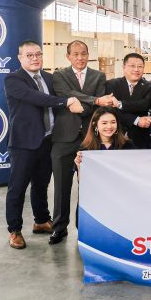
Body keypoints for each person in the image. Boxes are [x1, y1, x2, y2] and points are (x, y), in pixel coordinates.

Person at [3, 41, 83, 249]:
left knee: (41, 184)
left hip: (48, 140)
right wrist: (66, 101)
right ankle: (14, 230)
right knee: (18, 187)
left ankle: (41, 220)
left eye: (38, 54)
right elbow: (36, 98)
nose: (35, 58)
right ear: (20, 58)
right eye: (29, 55)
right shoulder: (13, 79)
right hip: (24, 143)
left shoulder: (48, 78)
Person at [50, 40, 111, 245]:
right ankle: (59, 228)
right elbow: (67, 95)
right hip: (63, 138)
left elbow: (97, 104)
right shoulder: (59, 76)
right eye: (75, 54)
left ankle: (84, 228)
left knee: (89, 186)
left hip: (89, 138)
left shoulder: (98, 76)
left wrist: (85, 104)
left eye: (83, 53)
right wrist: (94, 100)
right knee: (61, 185)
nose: (80, 57)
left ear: (88, 55)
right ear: (68, 56)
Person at [105, 53, 151, 149]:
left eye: (140, 66)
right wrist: (136, 120)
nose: (136, 69)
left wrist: (120, 104)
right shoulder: (112, 84)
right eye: (132, 66)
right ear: (124, 67)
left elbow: (144, 105)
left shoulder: (150, 87)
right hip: (115, 134)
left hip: (140, 137)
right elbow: (111, 111)